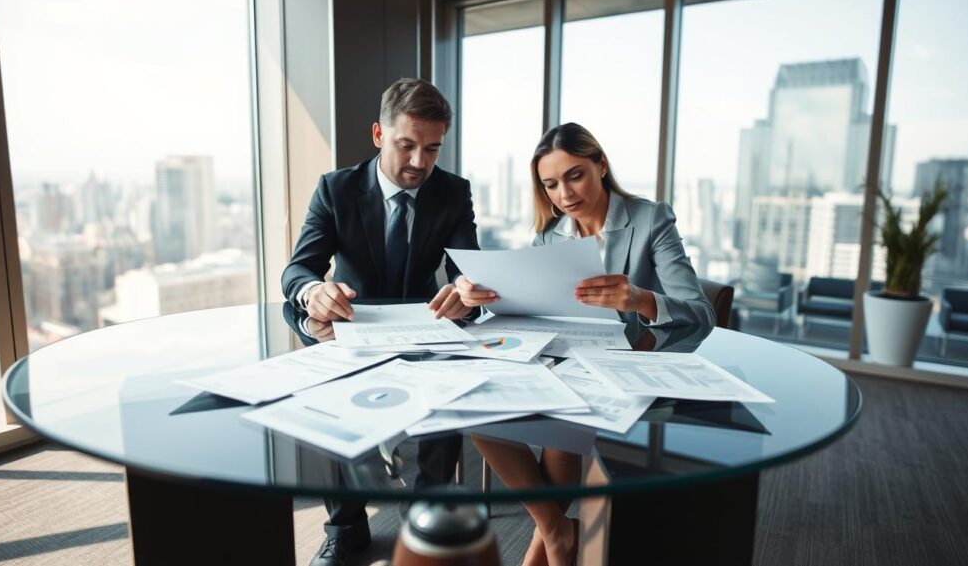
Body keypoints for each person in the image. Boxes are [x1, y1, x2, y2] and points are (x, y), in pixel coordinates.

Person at [455, 122, 714, 566]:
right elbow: (533, 309)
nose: (564, 194)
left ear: (601, 164)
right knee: (471, 409)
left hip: (630, 365)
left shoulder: (651, 220)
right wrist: (483, 295)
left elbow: (701, 314)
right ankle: (557, 530)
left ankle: (555, 537)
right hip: (563, 361)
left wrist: (641, 299)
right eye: (550, 184)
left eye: (574, 175)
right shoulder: (550, 234)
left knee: (562, 427)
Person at [282, 78, 478, 566]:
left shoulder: (453, 192)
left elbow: (467, 268)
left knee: (447, 395)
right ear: (378, 134)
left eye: (431, 149)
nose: (418, 162)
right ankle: (346, 528)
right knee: (329, 396)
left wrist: (466, 291)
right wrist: (315, 291)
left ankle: (425, 521)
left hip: (425, 329)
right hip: (352, 326)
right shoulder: (336, 188)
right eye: (406, 145)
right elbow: (298, 269)